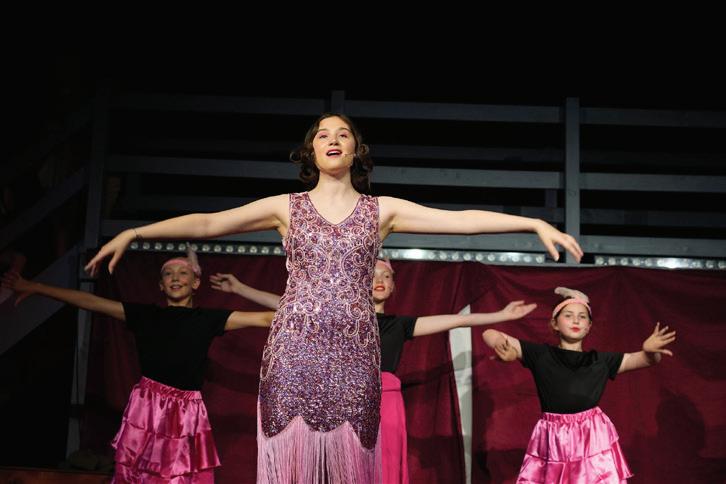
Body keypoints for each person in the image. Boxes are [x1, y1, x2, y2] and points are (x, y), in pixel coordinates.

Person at [85, 113, 583, 483]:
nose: (333, 139)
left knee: (349, 468)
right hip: (294, 353)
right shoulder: (287, 207)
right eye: (322, 134)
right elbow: (211, 223)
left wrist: (532, 223)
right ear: (311, 151)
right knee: (293, 467)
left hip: (354, 355)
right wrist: (136, 232)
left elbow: (460, 221)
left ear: (356, 151)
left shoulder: (380, 210)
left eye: (342, 134)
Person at [210, 258, 536, 483]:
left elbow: (455, 320)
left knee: (383, 470)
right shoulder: (341, 318)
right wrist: (240, 289)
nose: (379, 281)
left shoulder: (399, 325)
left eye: (386, 276)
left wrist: (499, 315)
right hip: (344, 402)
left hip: (386, 403)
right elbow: (288, 306)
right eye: (372, 275)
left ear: (394, 286)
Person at [2, 247, 274, 483]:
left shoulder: (208, 319)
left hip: (186, 410)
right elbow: (90, 301)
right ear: (160, 285)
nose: (175, 278)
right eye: (168, 274)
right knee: (139, 474)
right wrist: (35, 287)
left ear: (195, 283)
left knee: (180, 476)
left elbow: (267, 318)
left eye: (183, 273)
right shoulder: (145, 315)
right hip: (147, 407)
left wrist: (240, 289)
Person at [482, 287, 676, 483]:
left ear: (589, 326)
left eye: (582, 317)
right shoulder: (541, 355)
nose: (576, 321)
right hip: (554, 437)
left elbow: (644, 360)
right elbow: (489, 333)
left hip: (592, 436)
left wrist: (650, 352)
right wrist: (502, 346)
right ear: (554, 323)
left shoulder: (601, 360)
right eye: (568, 315)